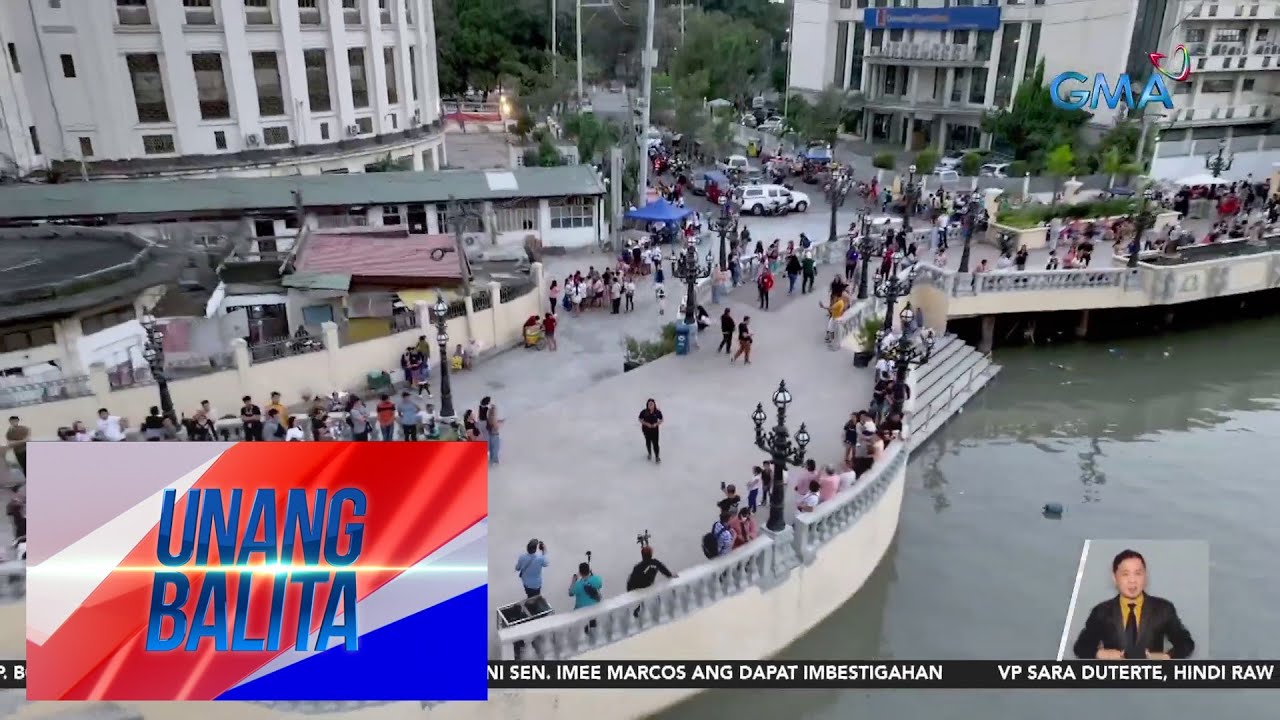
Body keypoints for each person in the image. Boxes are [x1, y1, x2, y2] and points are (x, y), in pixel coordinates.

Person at [1071, 549, 1195, 660]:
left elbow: (1186, 643)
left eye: (1138, 573)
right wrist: (1100, 654)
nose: (1132, 580)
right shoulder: (1101, 611)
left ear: (1145, 576)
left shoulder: (1163, 609)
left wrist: (1167, 656)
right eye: (1125, 574)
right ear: (1114, 578)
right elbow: (1081, 647)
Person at [638, 398, 663, 463]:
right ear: (647, 405)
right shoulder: (644, 412)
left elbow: (661, 419)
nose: (651, 405)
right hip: (646, 430)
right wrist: (646, 424)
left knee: (655, 443)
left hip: (655, 430)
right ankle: (649, 453)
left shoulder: (657, 412)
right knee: (648, 442)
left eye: (652, 404)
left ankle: (657, 457)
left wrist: (656, 424)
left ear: (654, 405)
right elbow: (640, 419)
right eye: (649, 404)